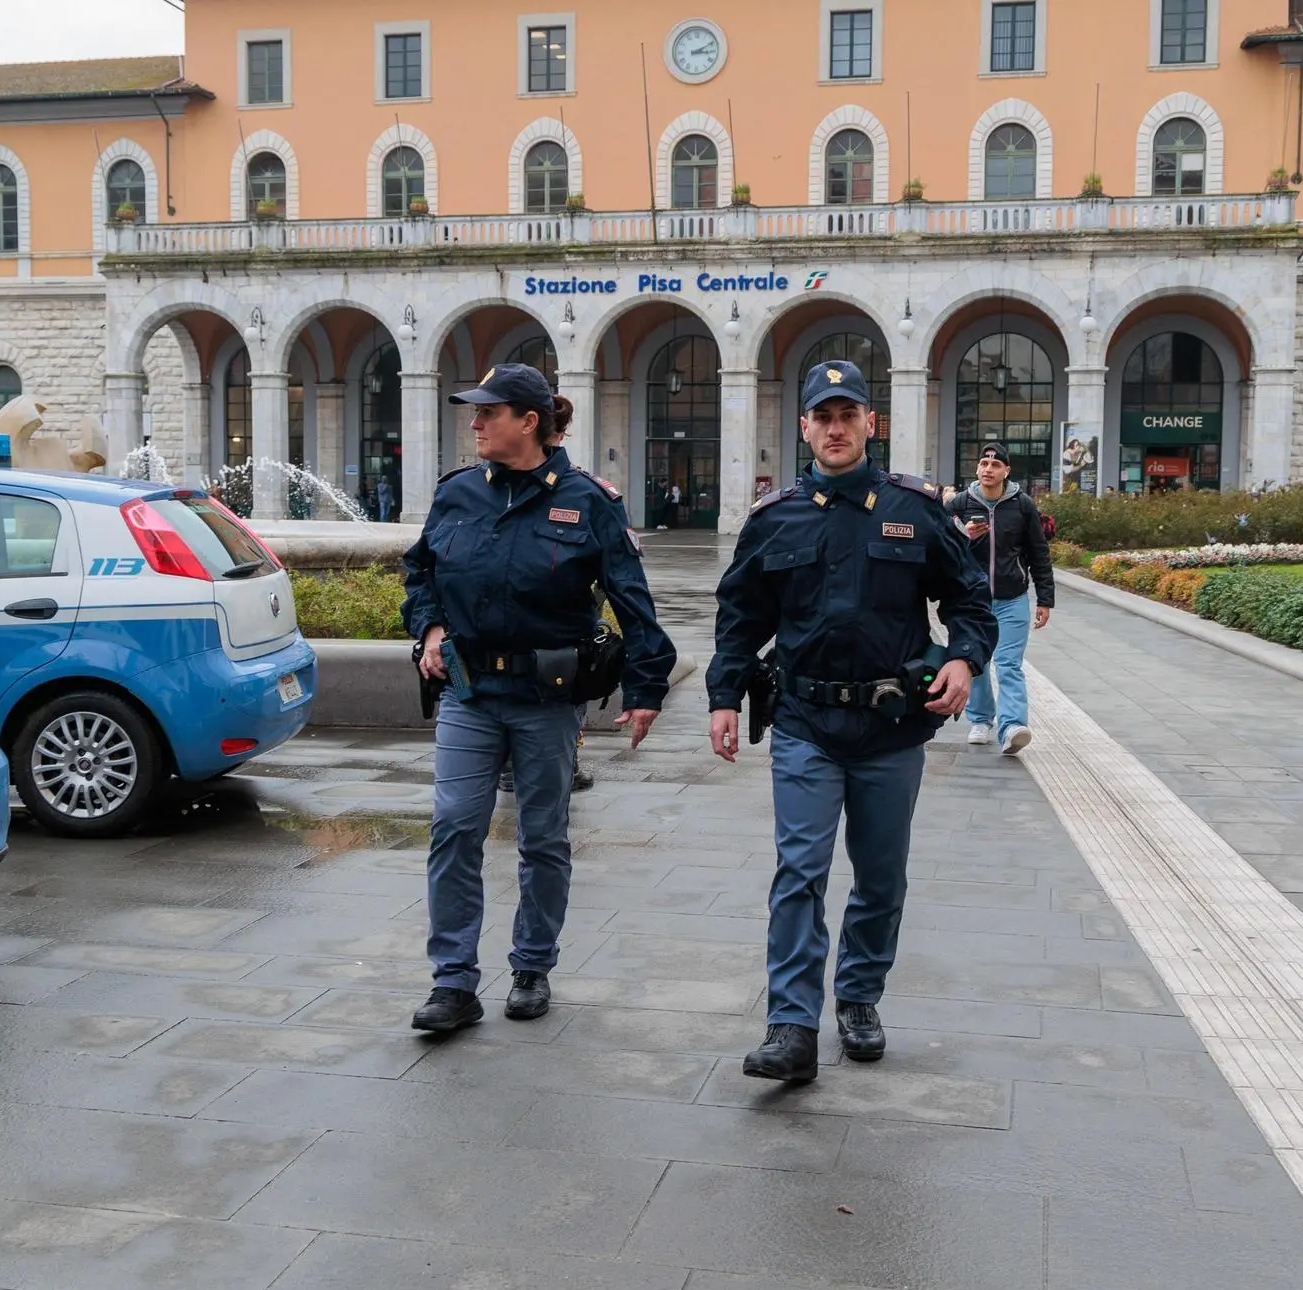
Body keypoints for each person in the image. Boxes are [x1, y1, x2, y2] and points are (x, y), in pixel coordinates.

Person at [708, 361, 995, 1083]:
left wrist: (963, 660)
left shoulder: (916, 510)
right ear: (803, 426)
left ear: (871, 422)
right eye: (821, 417)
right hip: (805, 721)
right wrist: (721, 696)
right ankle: (791, 1026)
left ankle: (859, 998)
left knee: (879, 875)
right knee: (798, 871)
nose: (835, 429)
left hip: (891, 728)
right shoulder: (775, 518)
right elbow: (739, 620)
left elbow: (969, 600)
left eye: (848, 415)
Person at [404, 364, 676, 1031]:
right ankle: (453, 982)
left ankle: (531, 966)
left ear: (528, 421)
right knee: (454, 828)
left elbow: (631, 603)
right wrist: (431, 626)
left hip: (545, 700)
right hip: (469, 692)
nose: (473, 424)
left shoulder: (588, 501)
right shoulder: (457, 494)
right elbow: (420, 571)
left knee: (543, 838)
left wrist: (644, 688)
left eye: (486, 413)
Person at [944, 443, 1055, 756]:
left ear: (1006, 471)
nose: (988, 469)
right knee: (976, 662)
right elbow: (941, 549)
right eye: (983, 463)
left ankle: (1013, 727)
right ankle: (980, 719)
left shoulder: (1022, 505)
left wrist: (1045, 598)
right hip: (972, 600)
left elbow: (1038, 552)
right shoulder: (960, 504)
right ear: (977, 469)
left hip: (1012, 599)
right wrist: (965, 535)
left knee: (1008, 664)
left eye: (995, 465)